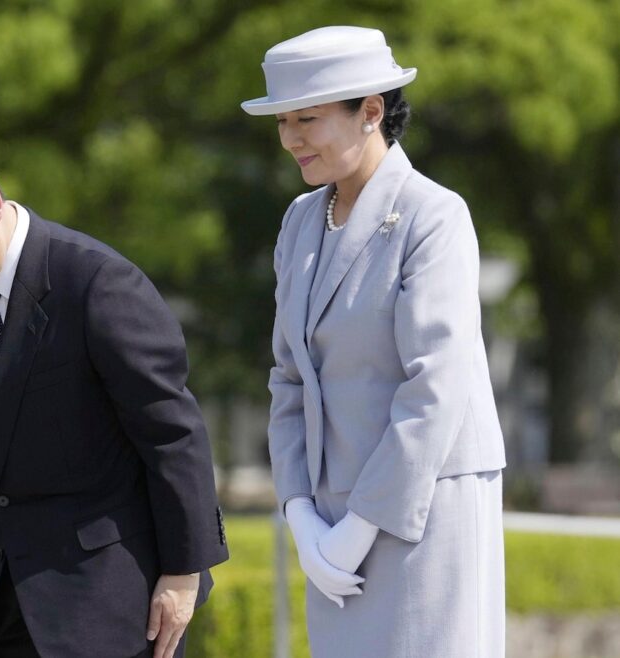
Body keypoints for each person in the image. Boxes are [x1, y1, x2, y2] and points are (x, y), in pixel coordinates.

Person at [0, 129, 229, 658]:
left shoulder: (96, 282)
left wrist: (183, 573)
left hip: (114, 602)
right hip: (8, 599)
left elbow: (172, 435)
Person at [241, 26, 507, 657]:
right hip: (329, 518)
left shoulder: (434, 215)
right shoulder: (299, 221)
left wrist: (361, 526)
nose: (291, 138)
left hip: (424, 504)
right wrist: (299, 512)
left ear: (370, 111)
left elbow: (435, 385)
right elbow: (288, 375)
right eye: (282, 122)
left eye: (307, 119)